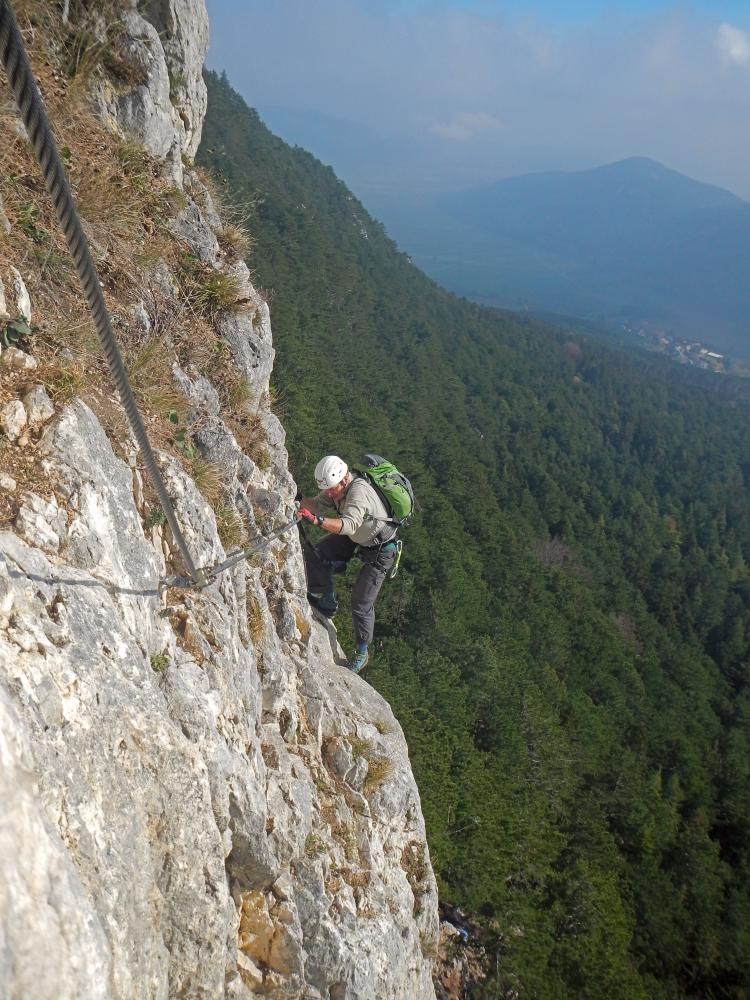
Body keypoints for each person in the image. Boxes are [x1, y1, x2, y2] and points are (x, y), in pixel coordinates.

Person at [297, 455, 398, 674]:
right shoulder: (335, 488)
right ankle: (327, 600)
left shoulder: (358, 492)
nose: (330, 493)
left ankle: (362, 652)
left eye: (333, 489)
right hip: (358, 536)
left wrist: (317, 521)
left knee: (361, 602)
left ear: (344, 479)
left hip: (381, 549)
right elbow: (315, 505)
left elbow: (349, 525)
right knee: (318, 553)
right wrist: (297, 496)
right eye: (328, 489)